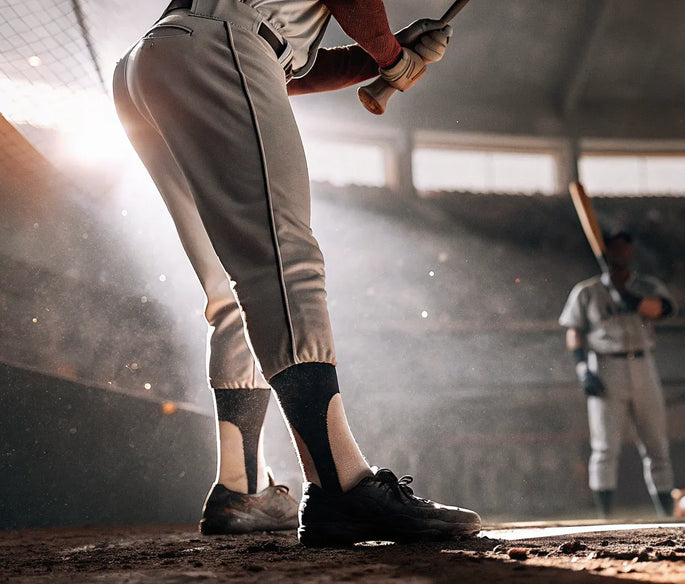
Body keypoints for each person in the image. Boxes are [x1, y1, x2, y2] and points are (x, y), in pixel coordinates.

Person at [111, 0, 480, 546]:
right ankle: (341, 485)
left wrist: (382, 53)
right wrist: (392, 58)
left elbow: (283, 66)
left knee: (235, 286)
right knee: (286, 263)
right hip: (221, 43)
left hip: (155, 62)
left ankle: (241, 488)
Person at [558, 230, 677, 518]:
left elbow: (665, 309)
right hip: (605, 364)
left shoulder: (646, 285)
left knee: (656, 444)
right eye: (615, 247)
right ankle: (605, 517)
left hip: (642, 363)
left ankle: (666, 515)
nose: (621, 252)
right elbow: (574, 331)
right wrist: (582, 368)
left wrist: (630, 298)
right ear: (605, 250)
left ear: (631, 251)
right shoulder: (587, 291)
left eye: (625, 247)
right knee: (604, 447)